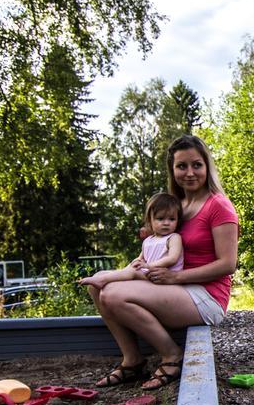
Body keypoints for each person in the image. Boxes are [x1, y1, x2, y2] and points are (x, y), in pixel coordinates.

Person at [89, 135, 239, 391]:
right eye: (182, 166)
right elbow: (166, 246)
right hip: (175, 285)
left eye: (197, 165)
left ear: (207, 167)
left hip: (206, 295)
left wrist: (175, 278)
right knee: (97, 285)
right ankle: (133, 360)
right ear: (172, 169)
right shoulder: (176, 206)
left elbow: (228, 264)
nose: (190, 173)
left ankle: (172, 356)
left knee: (113, 294)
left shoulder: (219, 206)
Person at [78, 192, 184, 289]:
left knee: (132, 272)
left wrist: (148, 266)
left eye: (171, 219)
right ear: (150, 220)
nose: (166, 223)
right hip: (150, 274)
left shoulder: (174, 238)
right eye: (160, 219)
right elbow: (141, 258)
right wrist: (135, 262)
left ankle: (103, 280)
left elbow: (172, 258)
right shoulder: (148, 240)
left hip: (165, 277)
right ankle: (107, 276)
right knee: (130, 268)